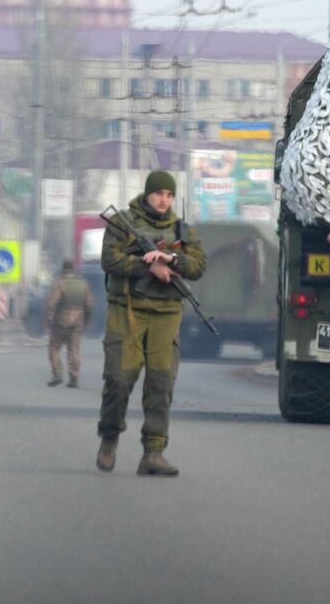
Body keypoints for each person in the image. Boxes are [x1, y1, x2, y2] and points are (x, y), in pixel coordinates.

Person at [96, 169, 206, 477]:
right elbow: (109, 260)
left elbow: (198, 265)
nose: (163, 199)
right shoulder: (122, 223)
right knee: (119, 378)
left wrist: (172, 261)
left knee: (161, 383)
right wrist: (148, 268)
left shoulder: (183, 229)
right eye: (159, 193)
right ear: (147, 194)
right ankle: (109, 438)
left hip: (166, 313)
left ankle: (153, 453)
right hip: (127, 310)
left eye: (169, 195)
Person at [45, 259, 90, 388]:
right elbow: (89, 305)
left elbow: (51, 303)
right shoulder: (83, 284)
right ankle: (74, 378)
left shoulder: (60, 283)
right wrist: (87, 320)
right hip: (77, 322)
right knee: (74, 350)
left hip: (60, 322)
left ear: (63, 269)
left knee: (54, 348)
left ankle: (57, 374)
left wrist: (48, 320)